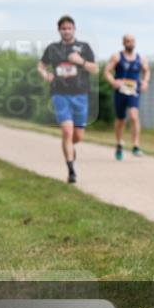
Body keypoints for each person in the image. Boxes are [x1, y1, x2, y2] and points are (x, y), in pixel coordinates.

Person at [37, 15, 98, 183]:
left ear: (74, 29)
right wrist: (45, 74)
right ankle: (71, 170)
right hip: (60, 94)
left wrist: (81, 61)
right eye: (63, 28)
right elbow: (41, 65)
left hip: (80, 95)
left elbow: (95, 69)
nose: (66, 31)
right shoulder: (52, 48)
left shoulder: (84, 47)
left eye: (69, 28)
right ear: (59, 30)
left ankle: (70, 147)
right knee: (67, 132)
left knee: (78, 136)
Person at [103, 34, 150, 160]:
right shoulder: (117, 56)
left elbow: (146, 71)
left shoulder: (141, 58)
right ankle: (119, 144)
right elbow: (106, 71)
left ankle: (136, 145)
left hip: (134, 91)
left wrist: (145, 82)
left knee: (134, 116)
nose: (130, 43)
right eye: (128, 41)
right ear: (123, 43)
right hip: (120, 91)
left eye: (132, 41)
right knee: (121, 120)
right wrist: (113, 82)